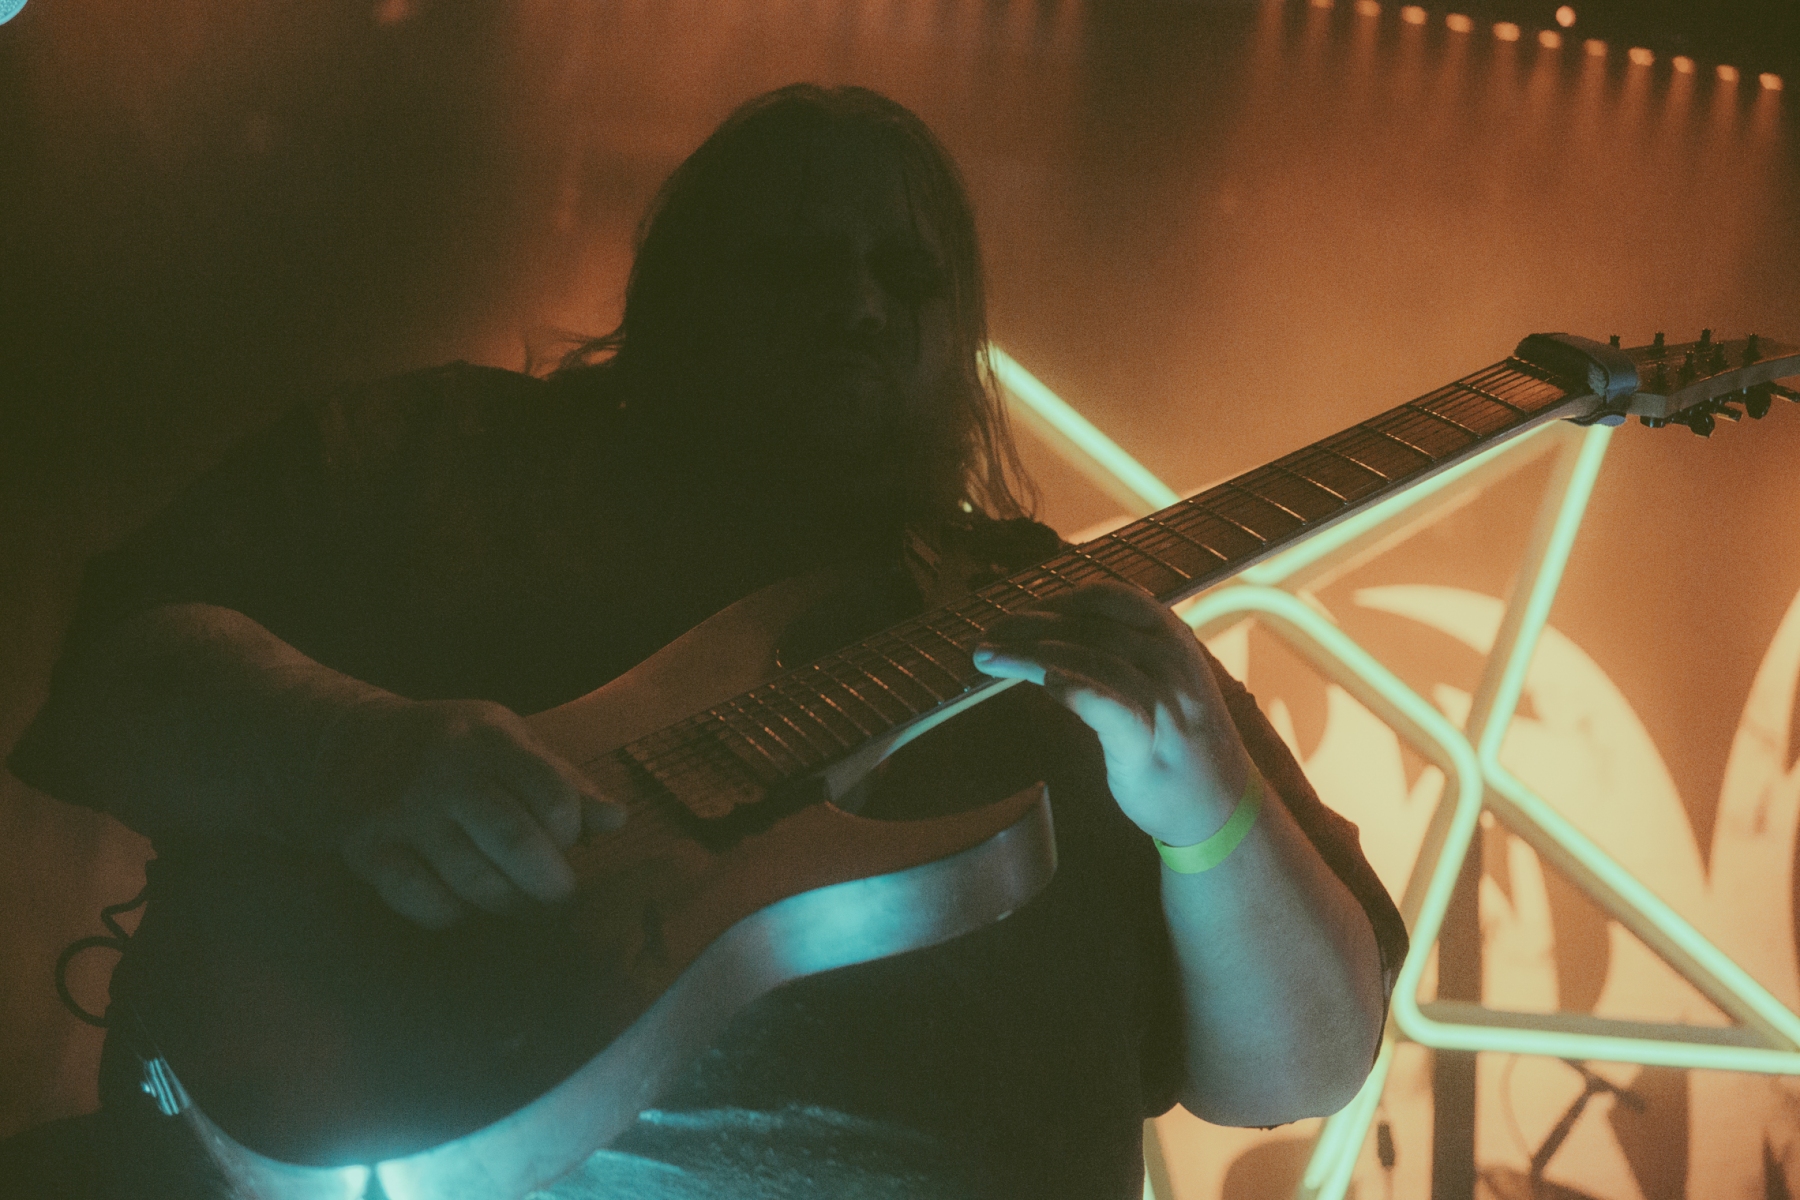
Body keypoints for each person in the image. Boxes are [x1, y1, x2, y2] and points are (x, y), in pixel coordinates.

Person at [7, 84, 1406, 1199]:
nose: (858, 307)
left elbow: (1300, 1069)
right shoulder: (455, 453)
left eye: (905, 275)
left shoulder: (1070, 615)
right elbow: (119, 671)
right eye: (797, 262)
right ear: (678, 284)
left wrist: (1213, 810)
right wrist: (344, 752)